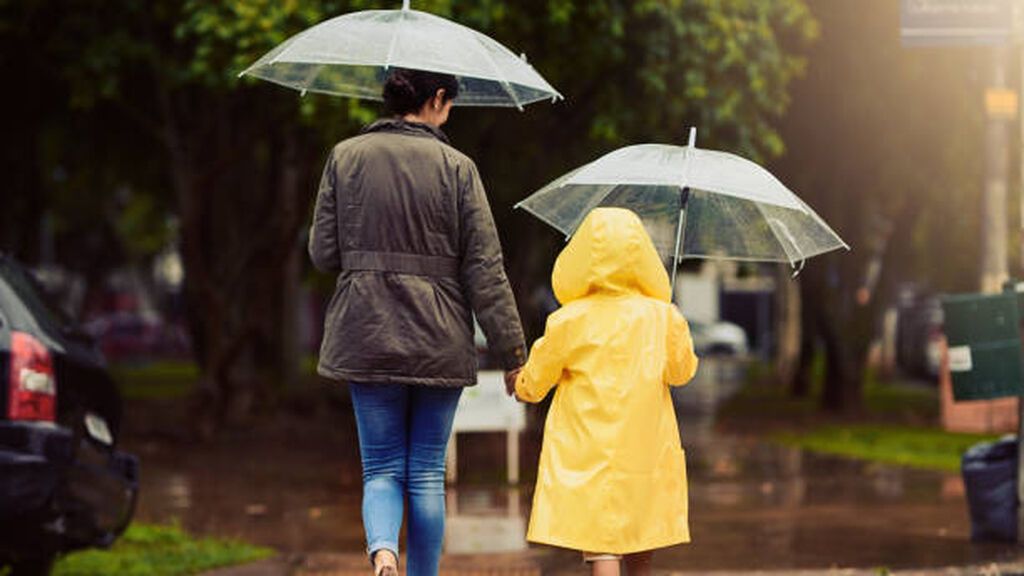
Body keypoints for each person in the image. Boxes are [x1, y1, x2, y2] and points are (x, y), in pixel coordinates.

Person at [308, 67, 526, 576]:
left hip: (365, 332)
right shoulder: (458, 168)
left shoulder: (345, 157)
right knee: (426, 472)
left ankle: (383, 553)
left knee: (381, 467)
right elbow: (485, 270)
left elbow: (322, 252)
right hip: (438, 337)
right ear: (439, 99)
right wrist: (513, 355)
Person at [512, 207, 699, 576]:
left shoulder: (568, 319)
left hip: (589, 450)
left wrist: (519, 384)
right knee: (642, 536)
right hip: (646, 448)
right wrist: (676, 323)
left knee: (603, 546)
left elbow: (535, 383)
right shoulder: (662, 317)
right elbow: (682, 373)